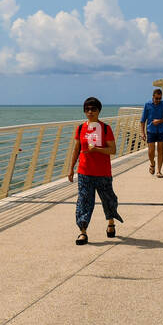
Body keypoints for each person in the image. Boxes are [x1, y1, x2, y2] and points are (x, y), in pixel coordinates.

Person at [66, 97, 123, 245]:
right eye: (87, 109)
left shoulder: (105, 128)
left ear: (99, 111)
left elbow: (113, 150)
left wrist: (96, 149)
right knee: (84, 201)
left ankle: (111, 222)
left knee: (108, 199)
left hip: (103, 172)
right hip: (85, 171)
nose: (90, 112)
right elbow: (77, 149)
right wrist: (71, 168)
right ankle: (83, 232)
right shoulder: (80, 128)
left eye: (93, 109)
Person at [139, 87, 163, 177]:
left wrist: (159, 121)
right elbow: (142, 120)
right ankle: (152, 163)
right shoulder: (147, 104)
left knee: (160, 150)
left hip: (161, 130)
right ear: (153, 96)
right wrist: (142, 133)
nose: (158, 100)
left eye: (160, 98)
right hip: (150, 130)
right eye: (156, 98)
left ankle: (159, 171)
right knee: (151, 151)